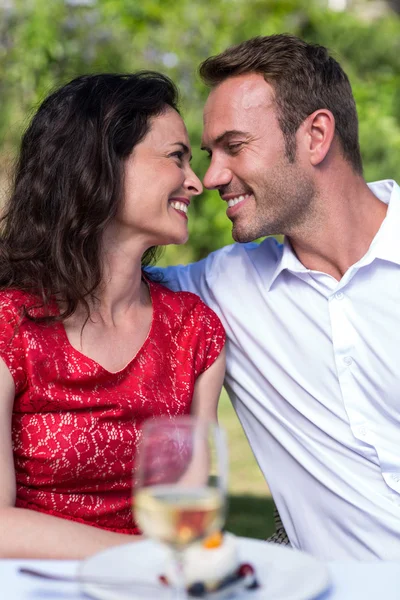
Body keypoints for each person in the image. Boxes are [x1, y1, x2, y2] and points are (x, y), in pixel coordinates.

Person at [158, 34, 400, 560]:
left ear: (315, 136)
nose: (213, 177)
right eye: (208, 153)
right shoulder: (215, 292)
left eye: (235, 146)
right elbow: (91, 278)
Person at [0, 72, 226, 559]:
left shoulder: (195, 331)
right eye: (175, 157)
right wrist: (136, 559)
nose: (195, 182)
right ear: (102, 162)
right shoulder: (8, 327)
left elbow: (191, 507)